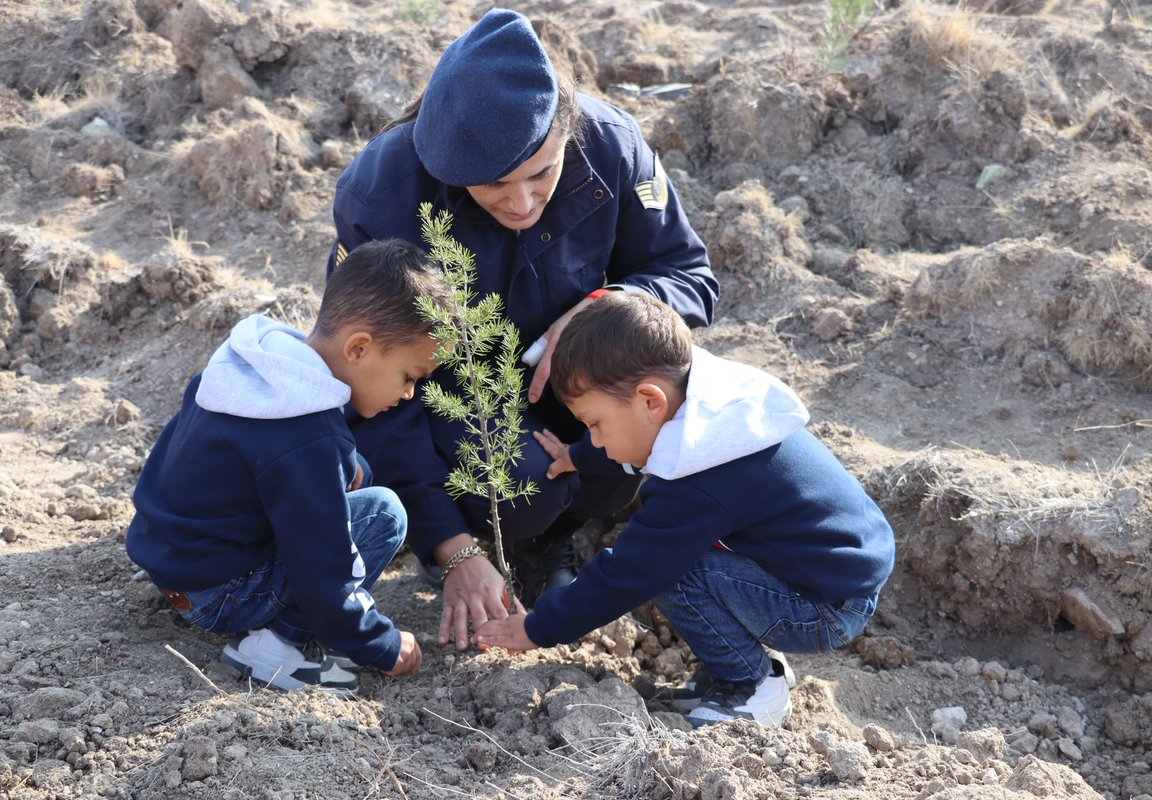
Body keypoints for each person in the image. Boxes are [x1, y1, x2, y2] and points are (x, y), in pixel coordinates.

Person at [328, 8, 719, 650]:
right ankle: (503, 535)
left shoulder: (612, 146)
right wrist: (449, 548)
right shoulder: (384, 196)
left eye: (542, 173)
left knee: (629, 435)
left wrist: (609, 303)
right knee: (521, 484)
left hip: (573, 381)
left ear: (568, 134)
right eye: (492, 186)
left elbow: (687, 272)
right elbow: (371, 388)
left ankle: (565, 532)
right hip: (455, 401)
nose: (521, 202)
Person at [476, 292, 896, 727]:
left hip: (823, 610)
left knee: (677, 570)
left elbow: (632, 570)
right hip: (834, 572)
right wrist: (581, 455)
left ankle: (751, 685)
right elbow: (641, 437)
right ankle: (742, 665)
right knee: (687, 560)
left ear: (649, 400)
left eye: (594, 424)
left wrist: (539, 627)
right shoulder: (711, 407)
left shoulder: (702, 479)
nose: (596, 437)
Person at [126, 239, 451, 694]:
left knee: (350, 491)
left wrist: (340, 462)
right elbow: (326, 568)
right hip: (220, 596)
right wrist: (380, 643)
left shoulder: (256, 364)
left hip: (172, 564)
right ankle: (279, 649)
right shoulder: (308, 435)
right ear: (358, 348)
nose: (409, 394)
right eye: (410, 376)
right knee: (382, 514)